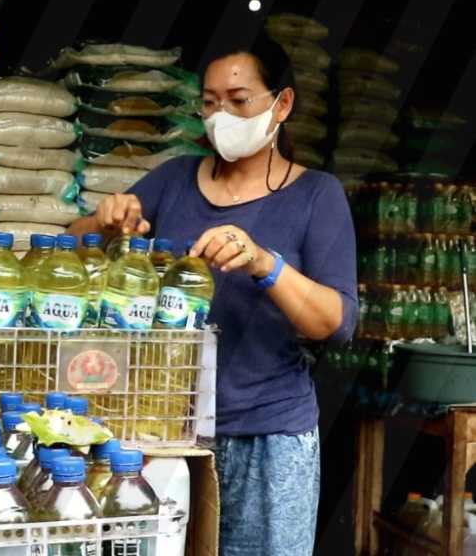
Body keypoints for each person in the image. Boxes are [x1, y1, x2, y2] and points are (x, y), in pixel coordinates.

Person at [68, 35, 358, 556]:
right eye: (209, 102)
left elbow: (335, 322)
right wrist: (104, 224)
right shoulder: (175, 180)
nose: (221, 114)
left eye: (239, 100)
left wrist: (265, 263)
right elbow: (66, 249)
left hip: (267, 434)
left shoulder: (317, 195)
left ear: (282, 104)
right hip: (165, 433)